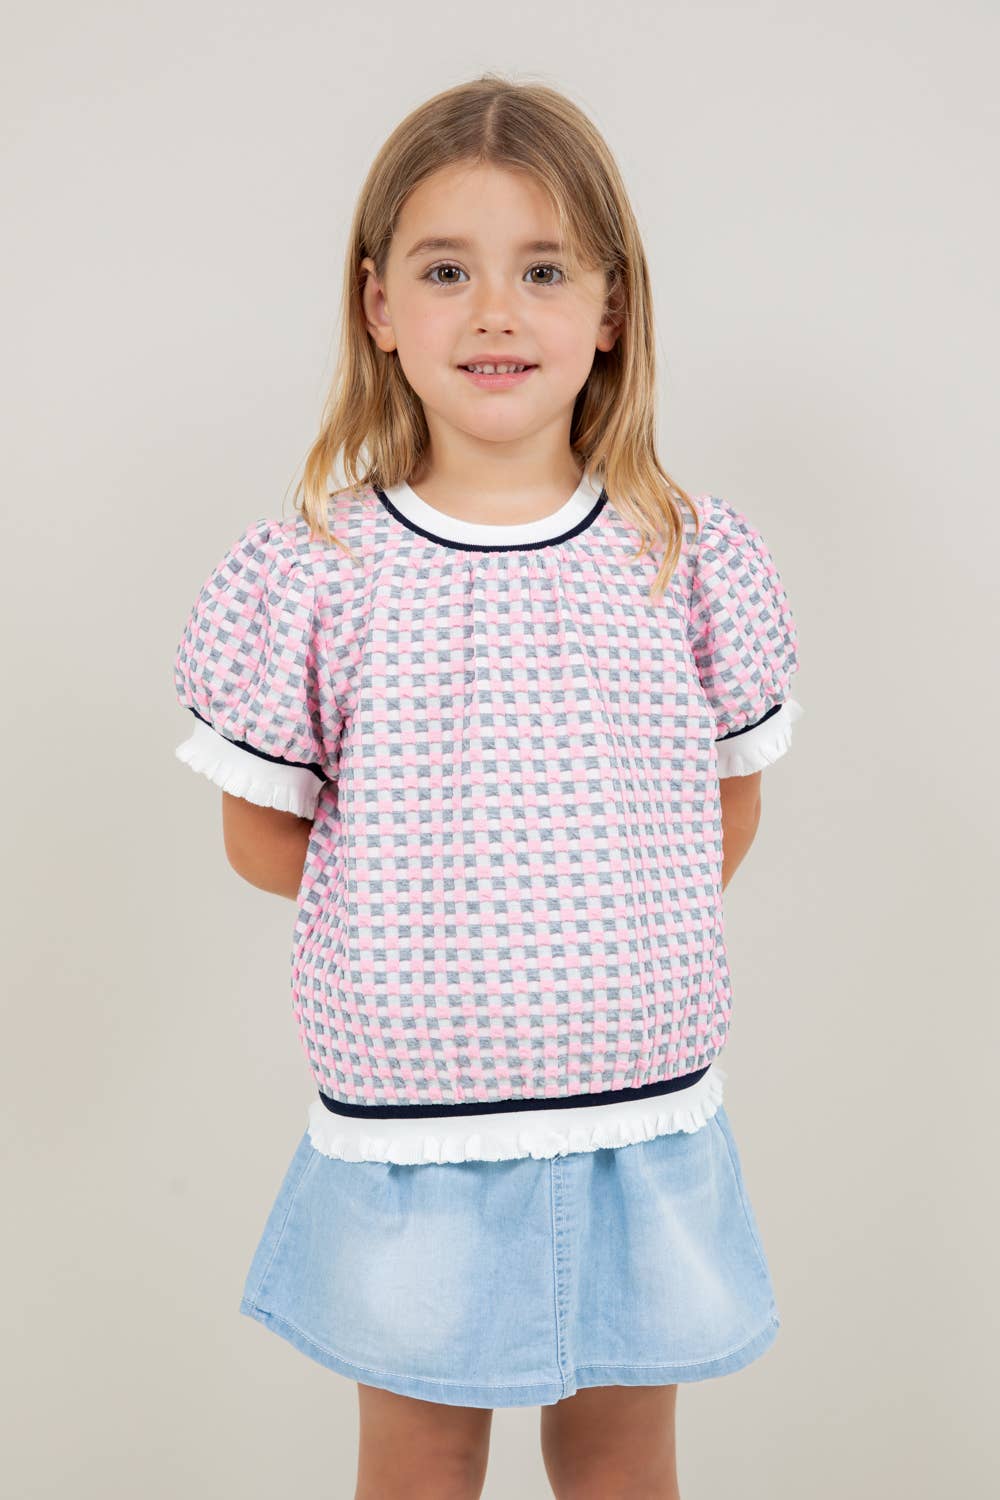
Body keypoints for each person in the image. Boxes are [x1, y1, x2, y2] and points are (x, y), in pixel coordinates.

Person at [172, 72, 804, 1500]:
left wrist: (603, 920)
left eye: (544, 272)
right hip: (417, 1125)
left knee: (624, 1450)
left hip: (640, 1107)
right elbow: (262, 837)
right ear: (380, 306)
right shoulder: (320, 572)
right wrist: (432, 906)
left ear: (612, 307)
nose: (497, 315)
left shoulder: (683, 555)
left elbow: (723, 803)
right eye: (448, 271)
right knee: (420, 1454)